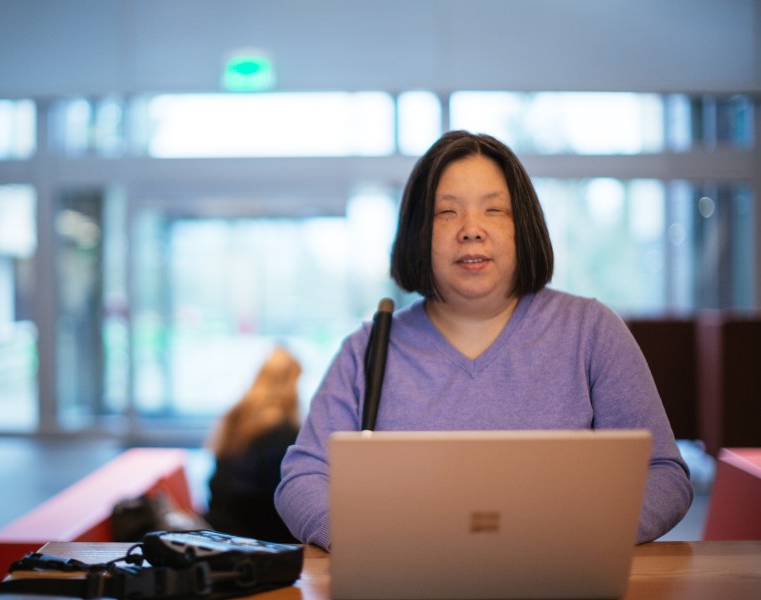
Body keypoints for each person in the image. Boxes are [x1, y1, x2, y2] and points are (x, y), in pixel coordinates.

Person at [274, 130, 694, 549]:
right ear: (419, 230)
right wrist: (363, 543)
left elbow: (662, 473)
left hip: (561, 576)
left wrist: (582, 539)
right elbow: (303, 477)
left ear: (522, 227)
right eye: (446, 213)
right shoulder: (366, 350)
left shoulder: (591, 331)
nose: (471, 230)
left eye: (494, 210)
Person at [204, 346, 302, 543]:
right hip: (261, 537)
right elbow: (281, 496)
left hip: (221, 527)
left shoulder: (234, 415)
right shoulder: (283, 430)